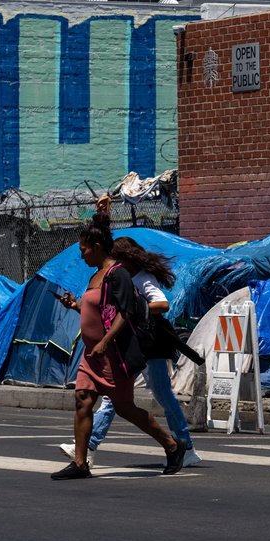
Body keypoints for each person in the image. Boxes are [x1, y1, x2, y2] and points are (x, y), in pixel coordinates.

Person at [51, 201, 184, 480]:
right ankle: (80, 463)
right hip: (92, 356)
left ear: (98, 247)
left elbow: (127, 312)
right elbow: (99, 311)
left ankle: (172, 445)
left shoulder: (118, 274)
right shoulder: (95, 275)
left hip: (113, 354)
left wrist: (105, 342)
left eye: (84, 250)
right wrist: (75, 306)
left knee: (125, 408)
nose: (82, 255)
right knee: (83, 400)